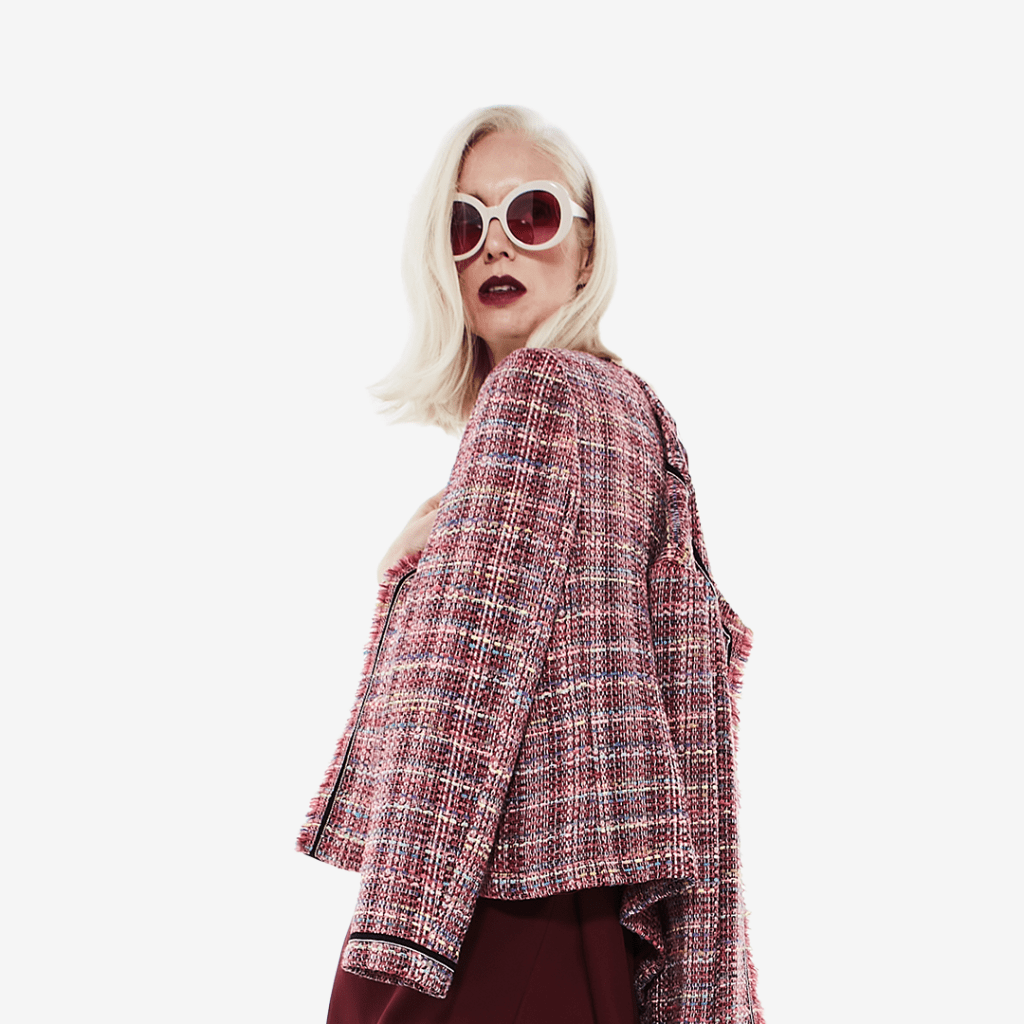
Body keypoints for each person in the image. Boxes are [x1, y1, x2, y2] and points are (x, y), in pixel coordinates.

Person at [297, 105, 765, 1024]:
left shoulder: (537, 391)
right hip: (597, 912)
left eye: (533, 213)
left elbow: (465, 684)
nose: (497, 246)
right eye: (464, 224)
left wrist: (393, 950)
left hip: (488, 909)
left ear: (587, 250)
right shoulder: (636, 412)